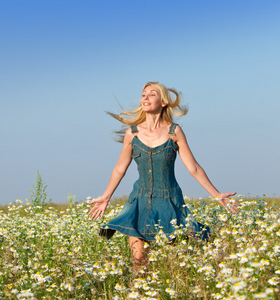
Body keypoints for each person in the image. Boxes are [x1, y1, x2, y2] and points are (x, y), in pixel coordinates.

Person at [87, 81, 240, 270]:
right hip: (139, 202)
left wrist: (216, 194)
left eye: (152, 94)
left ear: (164, 102)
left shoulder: (174, 131)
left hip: (170, 202)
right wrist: (106, 197)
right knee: (139, 260)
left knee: (174, 261)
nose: (145, 97)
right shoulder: (132, 134)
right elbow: (120, 168)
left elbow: (194, 168)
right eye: (143, 94)